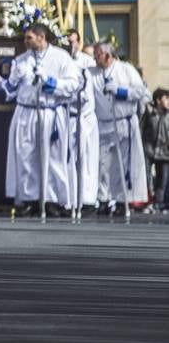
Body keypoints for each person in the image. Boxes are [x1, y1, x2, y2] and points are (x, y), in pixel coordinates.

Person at [0, 24, 81, 217]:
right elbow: (9, 92)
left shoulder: (61, 57)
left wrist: (52, 83)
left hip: (50, 112)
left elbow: (74, 84)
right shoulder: (21, 60)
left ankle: (53, 199)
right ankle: (30, 198)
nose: (25, 42)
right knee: (26, 156)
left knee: (53, 158)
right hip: (27, 112)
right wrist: (12, 80)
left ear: (41, 37)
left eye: (29, 38)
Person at [91, 42, 149, 214]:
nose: (95, 58)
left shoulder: (126, 69)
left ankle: (122, 200)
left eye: (98, 54)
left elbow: (142, 92)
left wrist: (121, 92)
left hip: (124, 122)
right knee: (103, 164)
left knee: (123, 164)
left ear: (108, 55)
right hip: (104, 123)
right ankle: (103, 198)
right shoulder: (93, 73)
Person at [65, 30, 100, 213]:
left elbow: (87, 92)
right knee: (69, 160)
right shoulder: (63, 60)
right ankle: (70, 197)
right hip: (68, 117)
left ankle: (86, 198)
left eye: (73, 42)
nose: (71, 45)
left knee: (86, 161)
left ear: (78, 42)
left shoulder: (87, 63)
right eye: (68, 42)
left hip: (84, 118)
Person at [145, 89, 169, 210]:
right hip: (150, 150)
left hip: (165, 152)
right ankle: (148, 200)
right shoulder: (149, 113)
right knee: (146, 176)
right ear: (158, 100)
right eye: (166, 98)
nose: (168, 101)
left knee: (162, 179)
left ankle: (159, 202)